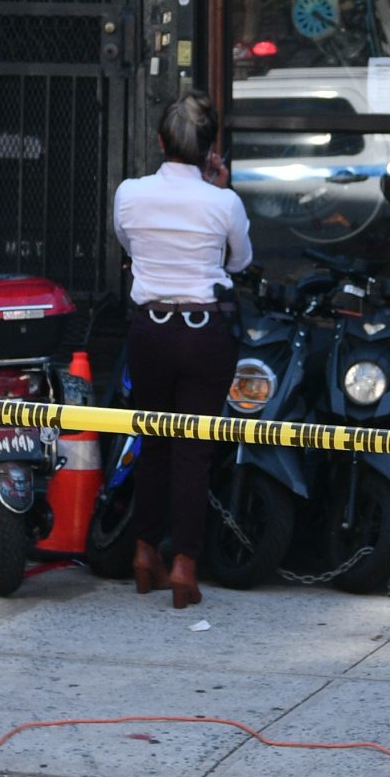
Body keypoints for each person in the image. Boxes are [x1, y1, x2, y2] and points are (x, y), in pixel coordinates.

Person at [111, 91, 251, 610]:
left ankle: (144, 550)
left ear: (159, 141)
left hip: (149, 328)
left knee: (153, 440)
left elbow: (128, 244)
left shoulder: (130, 193)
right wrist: (219, 191)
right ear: (210, 150)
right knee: (194, 449)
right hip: (203, 330)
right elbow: (239, 262)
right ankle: (185, 564)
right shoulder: (223, 202)